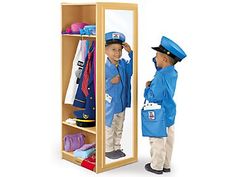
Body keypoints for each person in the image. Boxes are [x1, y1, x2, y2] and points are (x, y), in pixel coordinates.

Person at [143, 36, 187, 174]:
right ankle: (166, 165)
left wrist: (147, 88)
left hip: (158, 113)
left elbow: (153, 96)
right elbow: (160, 69)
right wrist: (157, 60)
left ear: (165, 59)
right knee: (168, 140)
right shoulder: (172, 72)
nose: (155, 58)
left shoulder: (160, 77)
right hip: (169, 112)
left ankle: (156, 166)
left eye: (157, 56)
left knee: (157, 140)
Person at [105, 31, 133, 159]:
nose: (117, 53)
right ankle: (109, 149)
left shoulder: (122, 64)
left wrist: (131, 53)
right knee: (109, 128)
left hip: (121, 103)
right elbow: (97, 85)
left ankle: (116, 147)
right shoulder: (103, 66)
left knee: (119, 127)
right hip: (110, 105)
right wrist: (110, 82)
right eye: (113, 50)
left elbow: (131, 71)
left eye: (119, 50)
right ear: (105, 50)